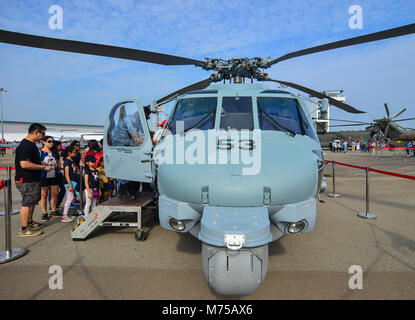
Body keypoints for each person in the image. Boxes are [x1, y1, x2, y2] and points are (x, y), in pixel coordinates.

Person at [15, 123, 51, 237]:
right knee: (27, 203)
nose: (43, 137)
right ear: (36, 132)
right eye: (43, 134)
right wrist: (43, 167)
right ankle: (24, 228)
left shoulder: (31, 145)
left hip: (32, 179)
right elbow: (25, 164)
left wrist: (41, 163)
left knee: (31, 202)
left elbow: (30, 161)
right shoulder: (26, 146)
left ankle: (29, 222)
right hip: (26, 179)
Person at [39, 136, 60, 221]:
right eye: (49, 141)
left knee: (55, 193)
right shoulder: (40, 152)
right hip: (43, 176)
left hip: (54, 175)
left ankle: (53, 210)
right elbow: (35, 162)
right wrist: (44, 164)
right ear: (44, 142)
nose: (51, 143)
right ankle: (44, 213)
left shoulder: (55, 153)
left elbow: (58, 164)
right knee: (44, 195)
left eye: (52, 141)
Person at [62, 145, 80, 222]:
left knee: (70, 197)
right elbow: (66, 174)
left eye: (76, 152)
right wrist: (70, 185)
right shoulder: (67, 162)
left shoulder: (71, 161)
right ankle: (64, 216)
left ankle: (65, 214)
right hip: (69, 182)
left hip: (72, 181)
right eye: (74, 152)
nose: (75, 153)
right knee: (69, 198)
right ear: (69, 153)